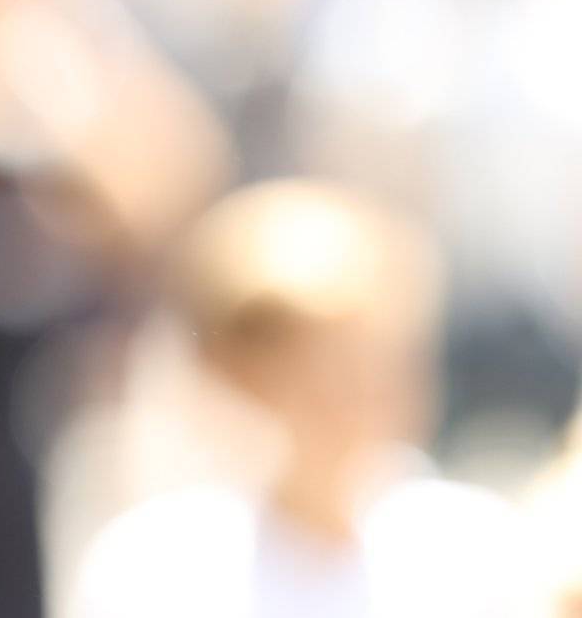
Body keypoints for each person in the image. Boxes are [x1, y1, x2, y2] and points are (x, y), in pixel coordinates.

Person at [71, 177, 528, 618]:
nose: (367, 397)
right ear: (249, 382)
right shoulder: (153, 570)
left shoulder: (474, 549)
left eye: (382, 364)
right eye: (329, 376)